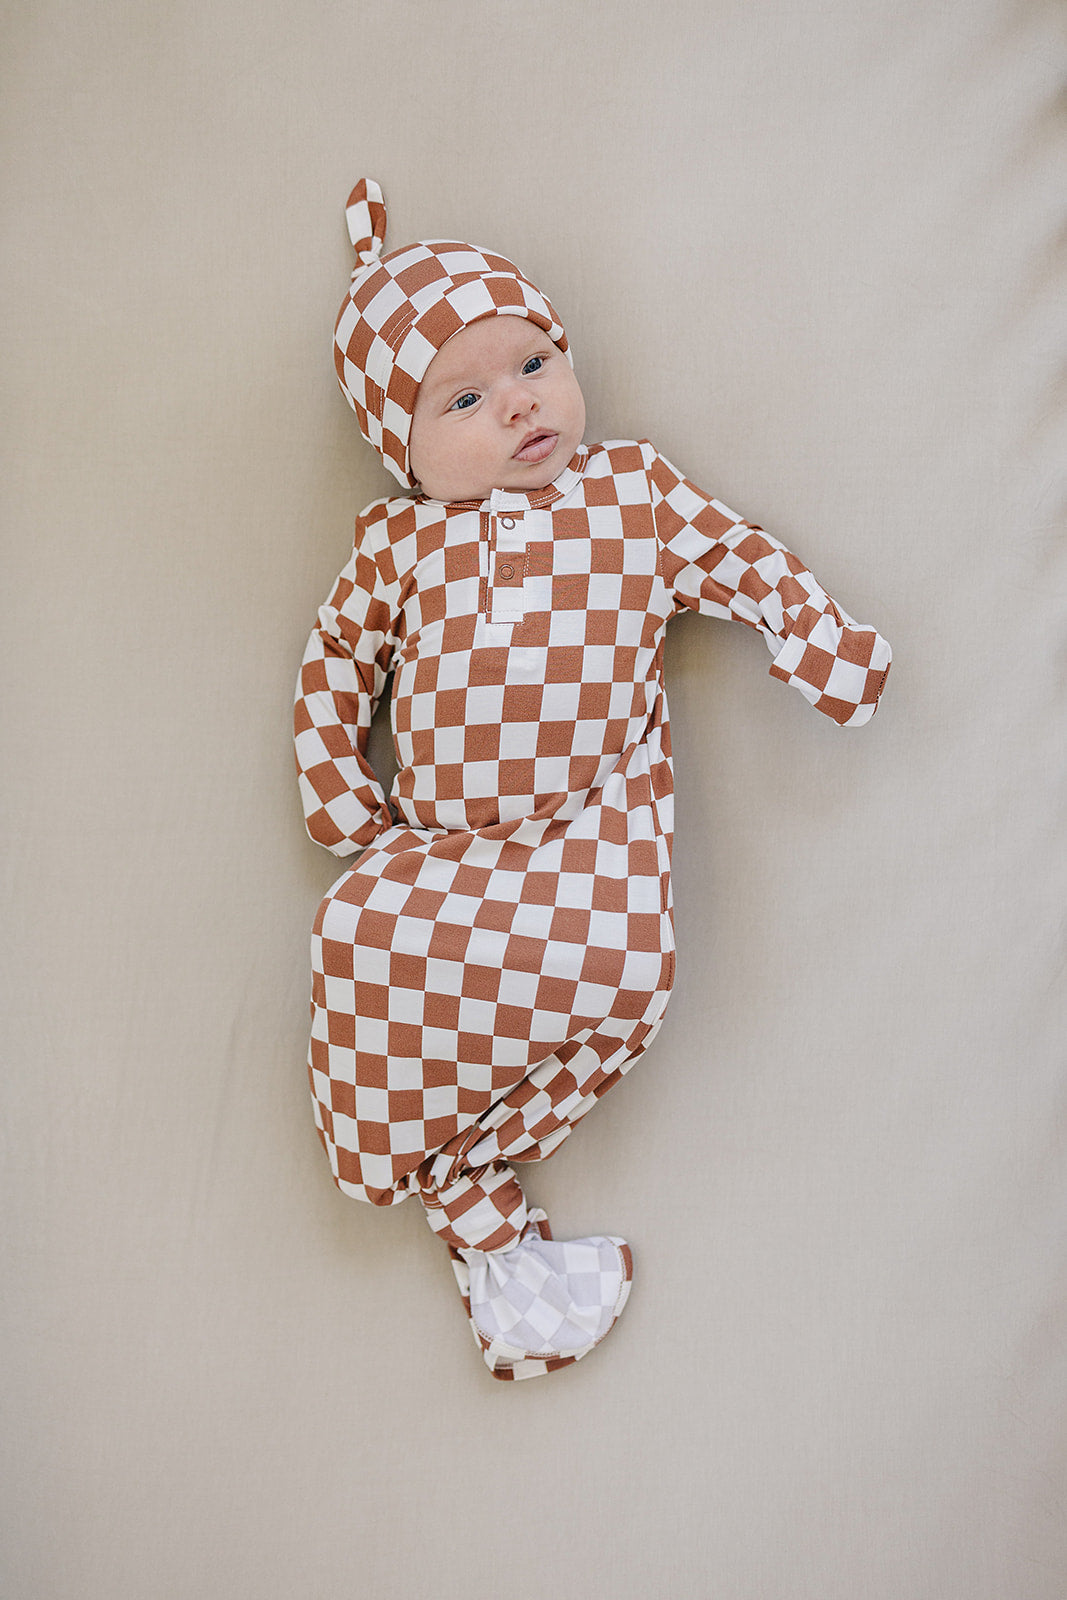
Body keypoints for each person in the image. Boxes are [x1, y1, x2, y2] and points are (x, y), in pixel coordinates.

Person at [294, 179, 892, 1380]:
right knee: (359, 930)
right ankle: (452, 1185)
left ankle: (463, 1184)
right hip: (443, 851)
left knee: (618, 968)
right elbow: (333, 660)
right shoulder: (397, 545)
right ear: (401, 451)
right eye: (463, 398)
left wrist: (817, 641)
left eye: (533, 361)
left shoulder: (628, 494)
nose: (517, 404)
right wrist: (333, 784)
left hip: (585, 830)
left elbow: (739, 557)